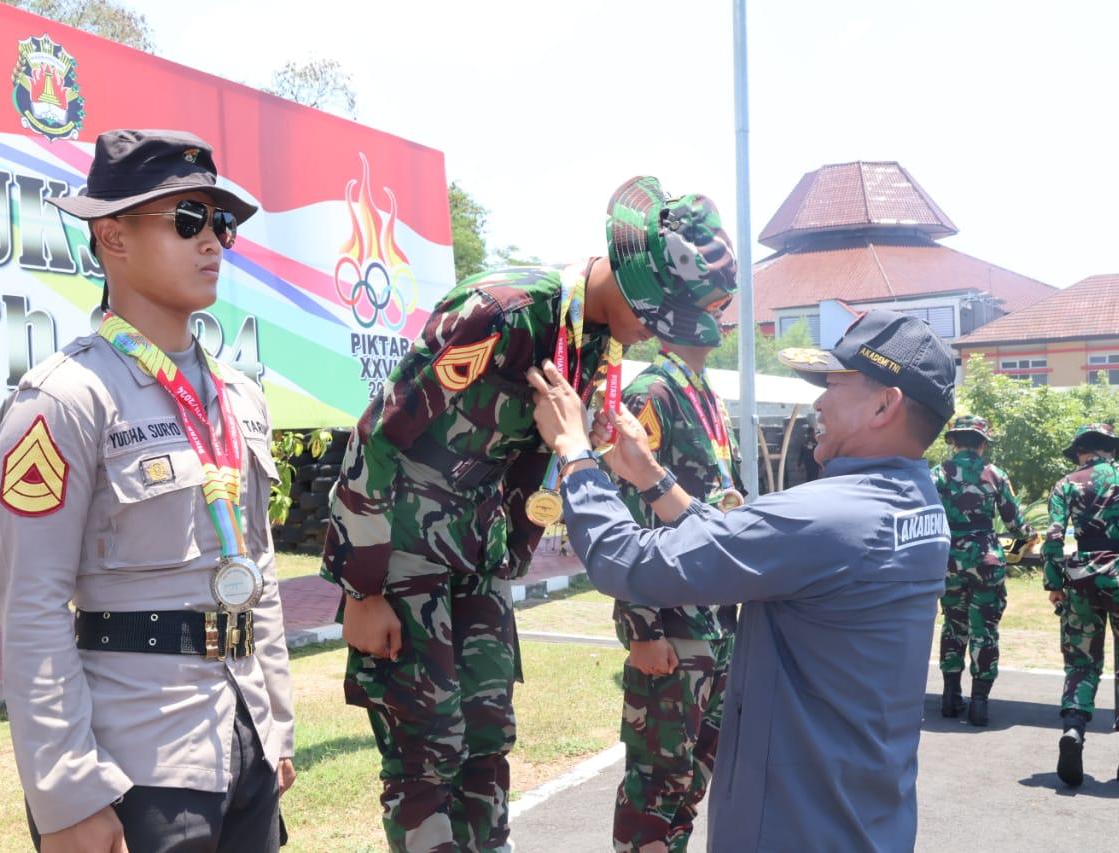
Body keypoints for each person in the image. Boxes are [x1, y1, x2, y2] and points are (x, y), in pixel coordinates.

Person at [321, 176, 737, 851]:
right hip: (405, 565)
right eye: (654, 316)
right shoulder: (501, 312)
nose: (654, 335)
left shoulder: (598, 343)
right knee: (424, 760)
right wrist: (361, 588)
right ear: (631, 280)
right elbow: (378, 435)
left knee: (486, 746)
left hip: (477, 565)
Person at [528, 309, 954, 850]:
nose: (819, 403)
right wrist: (650, 477)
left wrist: (574, 457)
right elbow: (745, 548)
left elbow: (628, 560)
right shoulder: (913, 506)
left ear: (884, 404)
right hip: (864, 818)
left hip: (794, 829)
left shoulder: (826, 516)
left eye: (834, 384)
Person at [0, 129, 295, 851]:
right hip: (138, 760)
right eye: (186, 221)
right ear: (112, 238)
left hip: (242, 735)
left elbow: (261, 572)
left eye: (219, 223)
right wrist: (65, 793)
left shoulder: (239, 396)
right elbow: (31, 607)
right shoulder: (64, 400)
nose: (213, 242)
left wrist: (276, 719)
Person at [609, 335, 742, 852]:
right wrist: (642, 627)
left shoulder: (704, 393)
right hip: (672, 626)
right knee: (656, 783)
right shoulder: (651, 393)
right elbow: (626, 520)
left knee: (691, 781)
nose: (720, 316)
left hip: (716, 621)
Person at [1041, 423, 1119, 787]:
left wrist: (1054, 584)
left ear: (1081, 450)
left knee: (1081, 663)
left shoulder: (1067, 483)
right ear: (1112, 449)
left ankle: (1075, 730)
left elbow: (1053, 537)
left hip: (1082, 580)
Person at [931, 415, 1036, 726]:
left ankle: (950, 697)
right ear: (981, 443)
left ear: (953, 441)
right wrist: (1030, 537)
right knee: (984, 630)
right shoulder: (995, 474)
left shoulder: (937, 474)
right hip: (987, 561)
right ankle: (979, 703)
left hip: (949, 560)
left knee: (953, 625)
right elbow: (1015, 523)